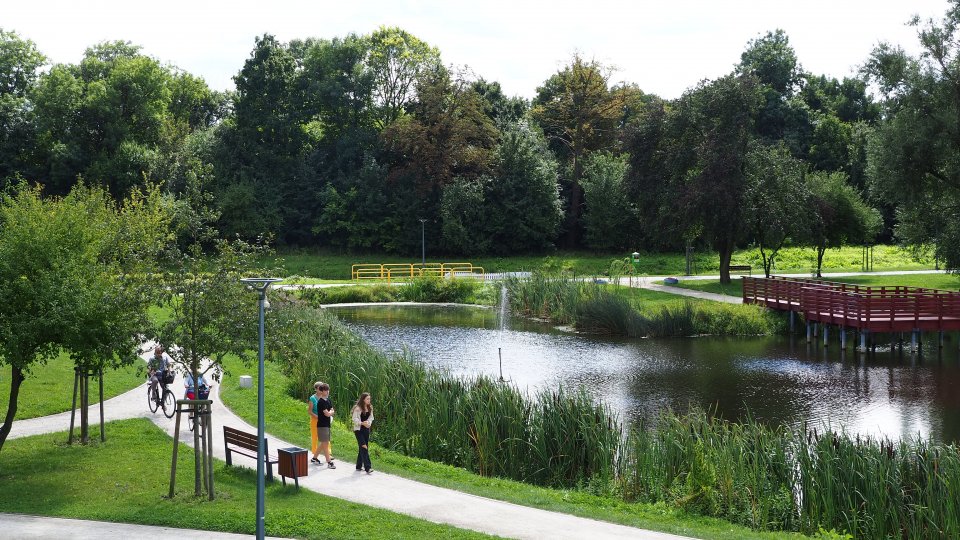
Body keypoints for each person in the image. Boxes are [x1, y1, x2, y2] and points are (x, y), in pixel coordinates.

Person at [310, 381, 336, 468]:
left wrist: (330, 412)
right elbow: (327, 414)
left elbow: (332, 411)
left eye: (328, 390)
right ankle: (329, 462)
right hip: (322, 425)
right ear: (321, 391)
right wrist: (330, 412)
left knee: (323, 443)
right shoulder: (320, 402)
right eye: (325, 390)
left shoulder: (328, 400)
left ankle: (314, 458)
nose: (327, 391)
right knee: (325, 444)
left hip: (327, 424)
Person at [351, 392, 374, 474]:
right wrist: (361, 423)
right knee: (364, 446)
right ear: (363, 399)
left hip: (366, 430)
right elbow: (354, 419)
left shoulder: (370, 407)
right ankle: (368, 467)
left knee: (363, 447)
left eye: (369, 399)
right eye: (367, 399)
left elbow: (371, 417)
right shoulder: (358, 408)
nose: (369, 400)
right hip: (359, 430)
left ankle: (358, 466)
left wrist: (368, 423)